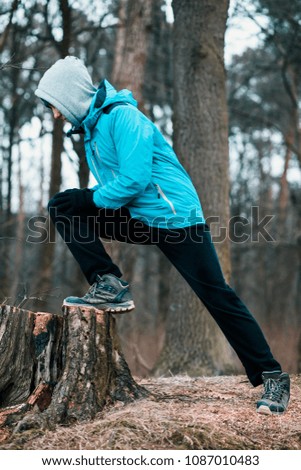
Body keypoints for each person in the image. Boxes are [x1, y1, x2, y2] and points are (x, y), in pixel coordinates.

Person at [35, 56, 290, 415]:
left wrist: (92, 199)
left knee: (218, 295)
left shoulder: (123, 117)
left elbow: (135, 179)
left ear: (71, 96)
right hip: (139, 217)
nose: (56, 115)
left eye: (56, 106)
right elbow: (114, 187)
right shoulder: (93, 131)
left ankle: (273, 377)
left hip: (175, 219)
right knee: (63, 204)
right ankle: (108, 282)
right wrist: (91, 202)